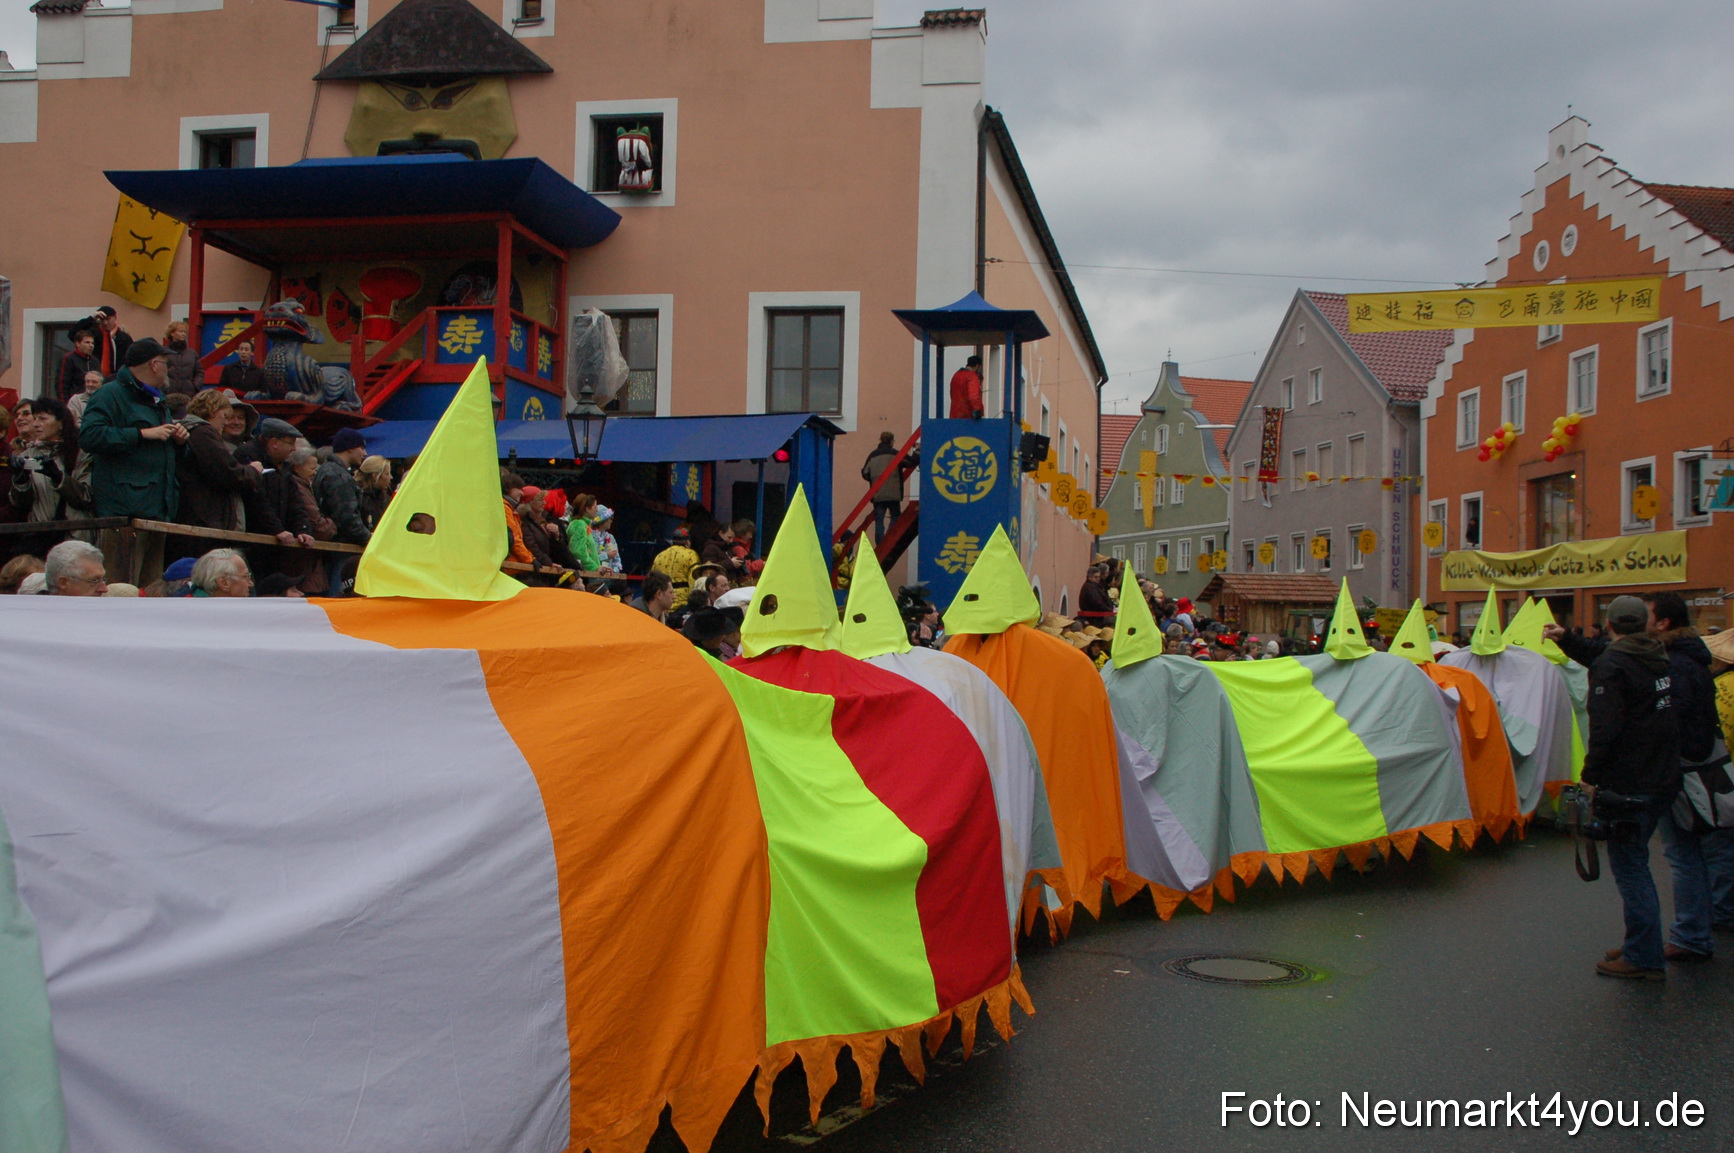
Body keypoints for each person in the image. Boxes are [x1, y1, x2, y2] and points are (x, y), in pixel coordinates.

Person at [1569, 596, 1682, 979]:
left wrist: (1591, 775)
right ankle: (1642, 942)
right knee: (1640, 863)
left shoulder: (1613, 665)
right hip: (1661, 775)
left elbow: (1605, 729)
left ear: (1611, 624)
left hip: (1630, 781)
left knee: (1632, 869)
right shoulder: (1656, 655)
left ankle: (1643, 957)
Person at [78, 338, 187, 583]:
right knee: (120, 587)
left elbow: (160, 449)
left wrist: (179, 442)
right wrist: (140, 434)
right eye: (166, 363)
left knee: (149, 591)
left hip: (155, 509)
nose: (168, 369)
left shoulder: (155, 400)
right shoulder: (110, 394)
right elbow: (89, 436)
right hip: (125, 513)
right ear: (153, 364)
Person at [9, 397, 92, 549]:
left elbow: (86, 497)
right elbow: (20, 505)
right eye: (34, 419)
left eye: (42, 419)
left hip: (73, 536)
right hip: (38, 535)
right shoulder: (26, 456)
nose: (36, 424)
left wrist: (58, 477)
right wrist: (20, 482)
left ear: (60, 422)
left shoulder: (80, 453)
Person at [175, 388, 256, 536]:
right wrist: (253, 471)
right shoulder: (203, 433)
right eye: (225, 416)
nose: (226, 422)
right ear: (213, 411)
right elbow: (228, 471)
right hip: (201, 517)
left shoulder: (191, 430)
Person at [312, 428, 372, 546]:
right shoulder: (337, 475)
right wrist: (368, 538)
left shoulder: (328, 470)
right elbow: (347, 516)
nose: (365, 454)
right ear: (350, 448)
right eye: (362, 448)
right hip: (341, 545)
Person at [862, 430, 908, 542]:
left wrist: (874, 479)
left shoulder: (872, 455)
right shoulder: (896, 454)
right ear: (891, 441)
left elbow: (865, 472)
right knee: (895, 516)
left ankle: (880, 543)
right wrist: (917, 452)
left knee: (879, 520)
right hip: (893, 493)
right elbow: (910, 462)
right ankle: (889, 538)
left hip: (878, 494)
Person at [651, 524, 700, 608]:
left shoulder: (659, 556)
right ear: (687, 542)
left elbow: (652, 580)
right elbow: (694, 581)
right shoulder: (691, 554)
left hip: (662, 602)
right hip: (683, 603)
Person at [42, 539, 107, 596]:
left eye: (103, 579)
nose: (104, 589)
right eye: (95, 580)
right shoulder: (36, 608)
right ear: (63, 583)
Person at [85, 306, 132, 377]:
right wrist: (91, 319)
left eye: (108, 319)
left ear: (115, 318)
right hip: (95, 377)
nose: (105, 323)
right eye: (102, 319)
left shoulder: (124, 338)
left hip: (117, 378)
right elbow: (73, 334)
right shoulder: (93, 335)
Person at [58, 330, 101, 403]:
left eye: (92, 343)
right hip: (74, 402)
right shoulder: (69, 359)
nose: (91, 345)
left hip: (93, 401)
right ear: (78, 343)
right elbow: (62, 384)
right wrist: (64, 405)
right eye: (87, 342)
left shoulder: (95, 361)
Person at [163, 320, 202, 397]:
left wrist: (195, 387)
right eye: (181, 331)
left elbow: (199, 372)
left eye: (185, 332)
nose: (183, 334)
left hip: (188, 394)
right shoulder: (164, 353)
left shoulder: (192, 353)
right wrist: (163, 388)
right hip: (169, 394)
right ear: (172, 333)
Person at [356, 455, 393, 530]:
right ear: (375, 476)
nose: (391, 477)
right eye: (387, 474)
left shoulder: (385, 498)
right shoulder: (357, 498)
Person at [948, 354, 984, 419]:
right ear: (977, 366)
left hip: (954, 415)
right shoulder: (972, 376)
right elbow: (973, 396)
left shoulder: (956, 375)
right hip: (967, 416)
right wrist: (977, 410)